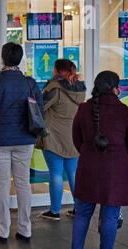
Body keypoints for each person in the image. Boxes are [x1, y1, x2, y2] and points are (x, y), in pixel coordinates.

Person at [69, 71, 128, 249]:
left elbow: (76, 139)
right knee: (109, 217)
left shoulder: (83, 109)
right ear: (114, 88)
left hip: (87, 169)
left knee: (82, 215)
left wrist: (89, 154)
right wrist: (122, 161)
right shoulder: (125, 111)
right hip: (114, 173)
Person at [0, 43, 43, 244]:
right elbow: (39, 111)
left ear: (2, 58)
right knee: (23, 183)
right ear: (20, 59)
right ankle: (25, 229)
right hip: (25, 139)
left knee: (1, 184)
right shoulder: (30, 83)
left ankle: (3, 230)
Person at [39, 59, 86, 221]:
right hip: (73, 135)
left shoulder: (54, 87)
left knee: (55, 173)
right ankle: (79, 208)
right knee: (73, 173)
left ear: (56, 70)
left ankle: (55, 211)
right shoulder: (80, 88)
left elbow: (40, 106)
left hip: (54, 136)